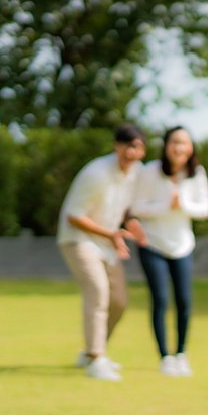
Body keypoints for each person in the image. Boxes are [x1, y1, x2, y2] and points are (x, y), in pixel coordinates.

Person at [58, 124, 148, 382]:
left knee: (118, 302)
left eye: (138, 147)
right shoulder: (96, 173)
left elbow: (126, 208)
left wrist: (132, 225)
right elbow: (74, 216)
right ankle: (96, 359)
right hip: (78, 240)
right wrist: (110, 234)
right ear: (116, 146)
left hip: (108, 242)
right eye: (127, 146)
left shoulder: (136, 173)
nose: (131, 152)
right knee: (98, 292)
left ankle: (90, 351)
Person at [129, 126, 208, 377]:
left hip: (182, 245)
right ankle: (165, 356)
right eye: (174, 142)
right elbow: (136, 206)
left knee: (184, 301)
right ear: (166, 145)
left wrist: (183, 205)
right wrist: (166, 206)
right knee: (161, 299)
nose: (179, 148)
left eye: (184, 143)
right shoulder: (150, 172)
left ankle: (181, 354)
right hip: (152, 244)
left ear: (191, 148)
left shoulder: (196, 173)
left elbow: (206, 209)